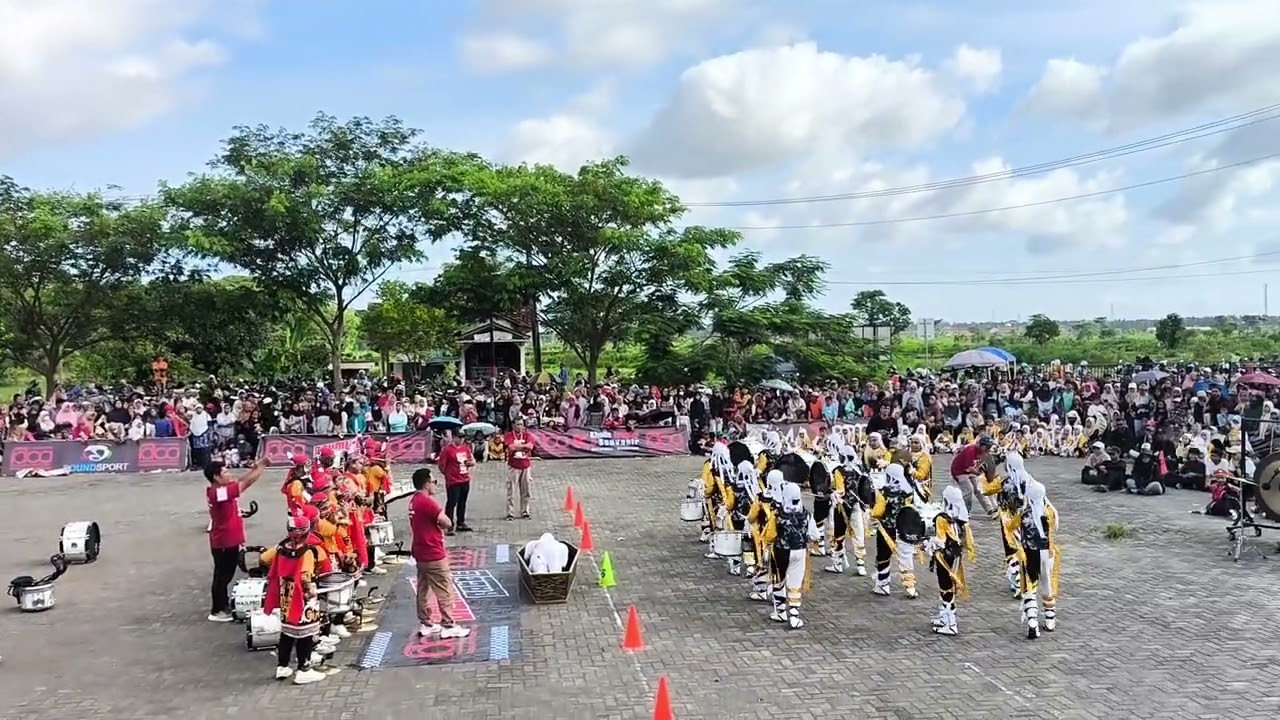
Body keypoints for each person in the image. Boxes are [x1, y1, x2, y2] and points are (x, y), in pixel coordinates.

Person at [259, 514, 327, 684]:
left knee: (287, 632)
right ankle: (304, 669)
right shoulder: (308, 552)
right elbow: (304, 577)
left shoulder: (281, 549)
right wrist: (310, 591)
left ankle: (282, 666)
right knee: (306, 633)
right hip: (302, 597)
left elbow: (264, 559)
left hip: (285, 594)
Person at [408, 468, 471, 640]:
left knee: (423, 589)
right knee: (444, 589)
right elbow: (447, 522)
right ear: (426, 483)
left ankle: (426, 623)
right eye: (434, 482)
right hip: (433, 552)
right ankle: (449, 625)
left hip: (420, 551)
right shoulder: (427, 502)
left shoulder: (413, 501)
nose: (436, 485)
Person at [206, 456, 269, 622]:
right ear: (216, 477)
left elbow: (239, 483)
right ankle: (218, 609)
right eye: (225, 472)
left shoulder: (221, 489)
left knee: (223, 575)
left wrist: (254, 470)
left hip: (228, 540)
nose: (229, 474)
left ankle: (221, 606)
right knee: (223, 576)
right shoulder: (217, 492)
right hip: (224, 542)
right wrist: (260, 468)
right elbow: (243, 485)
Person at [924, 485, 976, 636]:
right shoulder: (961, 517)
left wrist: (926, 545)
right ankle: (944, 617)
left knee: (945, 587)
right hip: (955, 556)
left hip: (944, 557)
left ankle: (950, 623)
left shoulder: (942, 517)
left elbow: (939, 541)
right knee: (948, 586)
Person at [438, 433, 476, 533]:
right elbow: (441, 465)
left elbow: (471, 460)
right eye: (460, 437)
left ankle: (461, 522)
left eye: (463, 437)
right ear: (454, 437)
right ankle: (449, 524)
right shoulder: (447, 450)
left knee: (462, 502)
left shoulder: (465, 448)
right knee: (452, 502)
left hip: (464, 478)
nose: (462, 439)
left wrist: (470, 463)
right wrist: (448, 474)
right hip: (453, 480)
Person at [949, 434, 993, 513]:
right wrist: (978, 473)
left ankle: (990, 509)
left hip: (971, 469)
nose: (988, 448)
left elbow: (982, 464)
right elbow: (968, 468)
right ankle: (965, 511)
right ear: (981, 445)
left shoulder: (985, 452)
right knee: (968, 489)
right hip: (959, 470)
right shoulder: (971, 450)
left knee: (979, 489)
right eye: (987, 446)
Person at [504, 419, 535, 520]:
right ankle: (510, 513)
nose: (519, 427)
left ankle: (525, 511)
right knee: (511, 491)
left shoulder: (527, 435)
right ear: (513, 425)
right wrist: (523, 447)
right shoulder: (509, 435)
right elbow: (511, 447)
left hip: (525, 466)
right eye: (517, 424)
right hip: (513, 466)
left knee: (526, 491)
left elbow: (530, 446)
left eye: (521, 424)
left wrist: (518, 446)